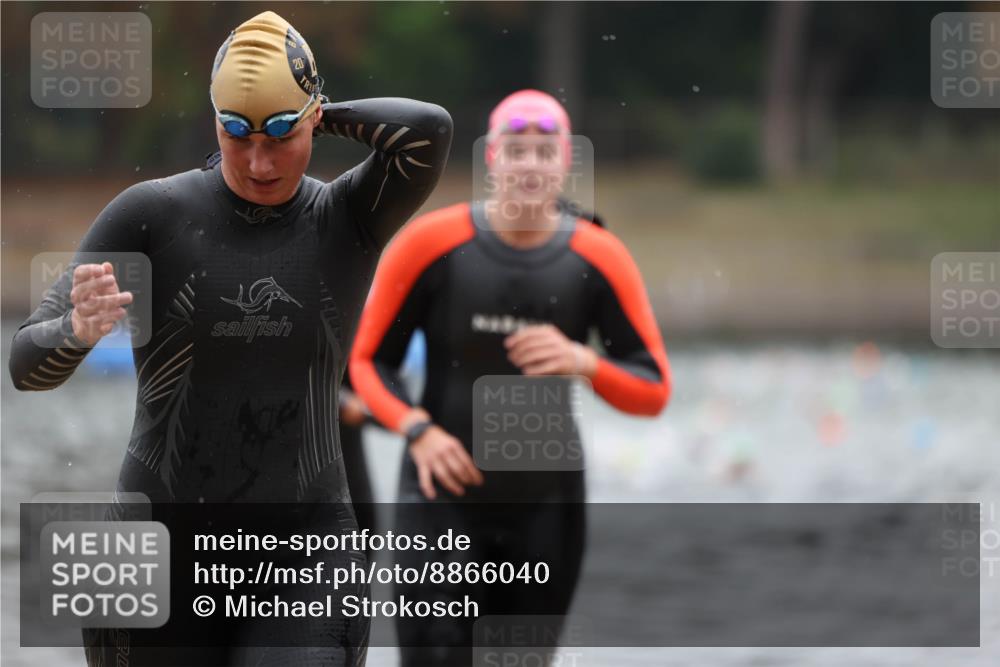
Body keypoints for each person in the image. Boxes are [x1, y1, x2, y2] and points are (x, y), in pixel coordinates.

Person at [9, 10, 452, 666]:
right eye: (236, 132)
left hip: (306, 553)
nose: (258, 159)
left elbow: (428, 130)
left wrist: (316, 110)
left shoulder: (345, 218)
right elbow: (25, 363)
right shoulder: (150, 214)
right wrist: (75, 331)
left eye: (280, 133)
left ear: (313, 119)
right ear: (215, 123)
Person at [349, 89, 670, 665]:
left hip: (545, 509)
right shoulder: (431, 244)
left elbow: (653, 390)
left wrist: (584, 361)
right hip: (437, 500)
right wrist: (418, 428)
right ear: (492, 159)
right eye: (515, 150)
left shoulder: (600, 256)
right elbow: (368, 361)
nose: (529, 164)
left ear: (566, 161)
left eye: (544, 151)